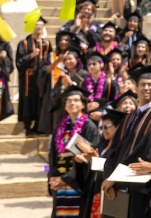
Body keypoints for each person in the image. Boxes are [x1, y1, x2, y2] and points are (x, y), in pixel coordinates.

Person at [101, 65, 151, 218]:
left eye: (150, 85)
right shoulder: (130, 116)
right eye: (142, 84)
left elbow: (146, 153)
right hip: (119, 185)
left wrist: (114, 178)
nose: (146, 88)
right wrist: (109, 176)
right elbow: (114, 149)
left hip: (141, 188)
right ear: (136, 88)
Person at [48, 86, 101, 218]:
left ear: (83, 104)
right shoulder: (60, 127)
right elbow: (53, 156)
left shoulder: (89, 126)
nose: (72, 103)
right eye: (69, 101)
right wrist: (53, 177)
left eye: (76, 100)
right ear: (65, 106)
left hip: (79, 181)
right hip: (60, 179)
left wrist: (67, 179)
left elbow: (89, 157)